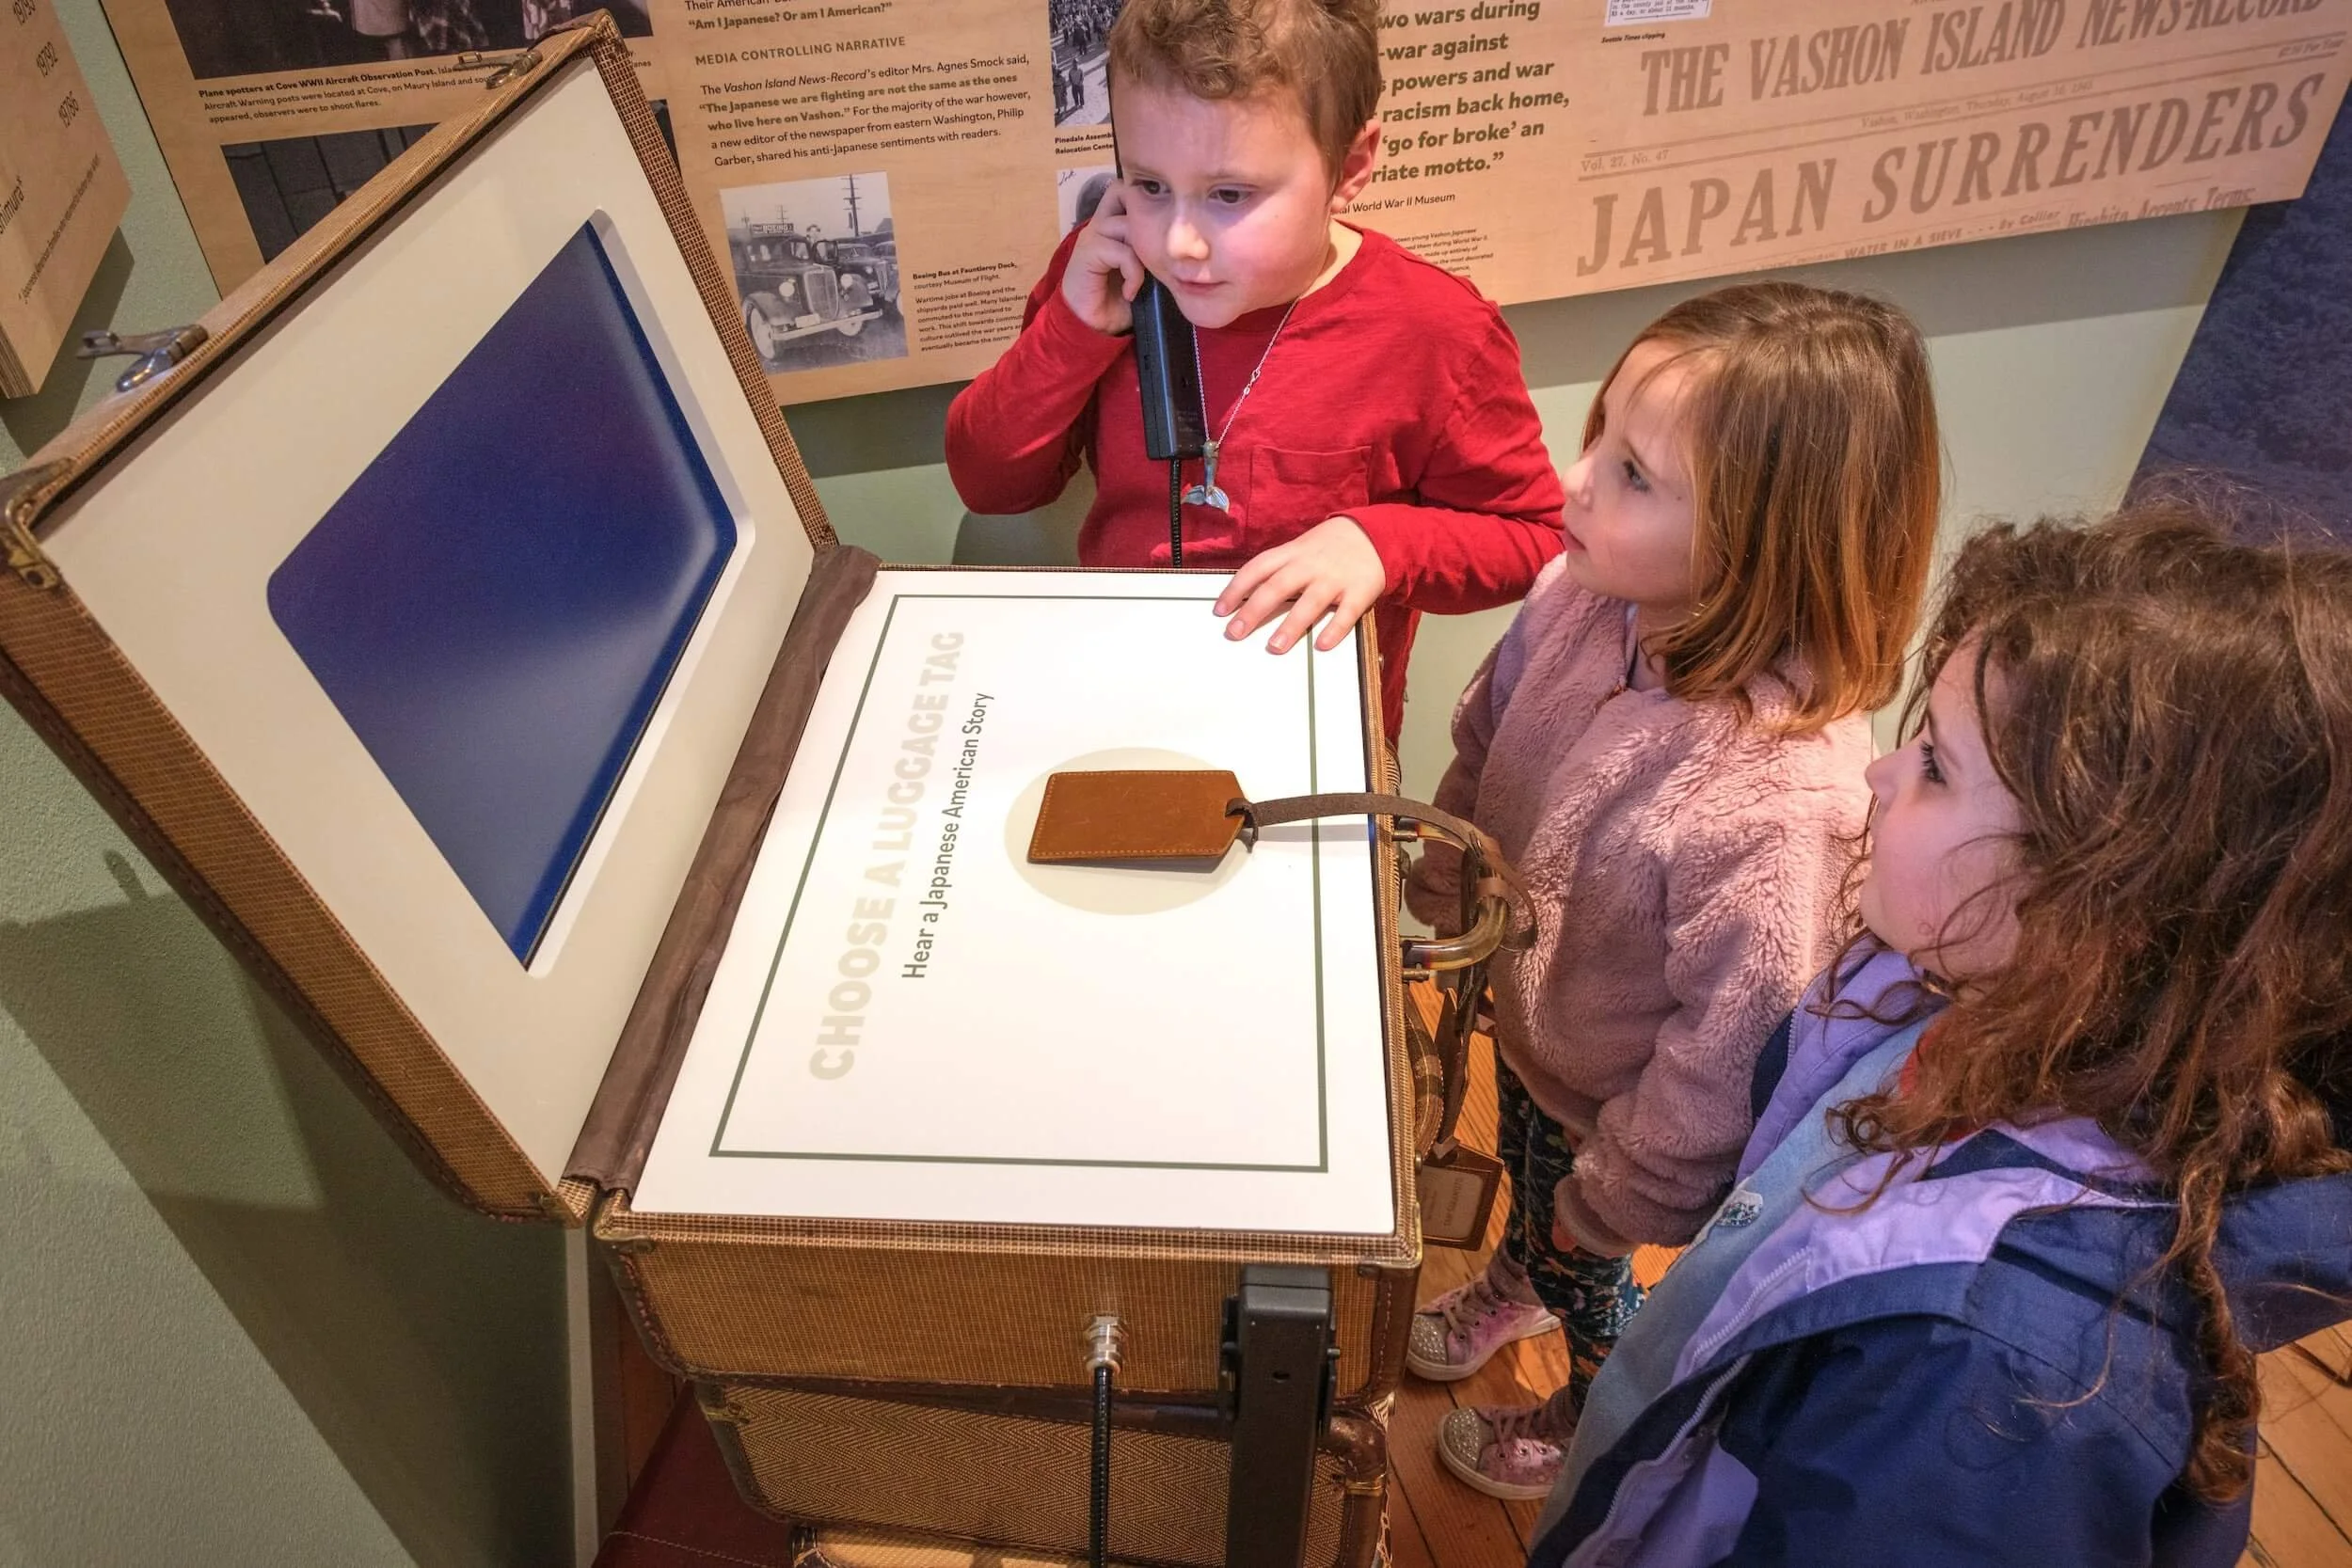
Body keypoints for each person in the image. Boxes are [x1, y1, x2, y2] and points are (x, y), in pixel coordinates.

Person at [1531, 502, 2352, 1567]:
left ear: (2095, 912)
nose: (1876, 773)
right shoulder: (1975, 997)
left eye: (1932, 764)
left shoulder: (1989, 1384)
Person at [1402, 282, 1943, 1499]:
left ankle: (1590, 1401)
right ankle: (1521, 1273)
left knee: (1592, 1254)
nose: (1576, 479)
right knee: (1541, 1190)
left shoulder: (1783, 792)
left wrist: (1628, 1193)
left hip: (1627, 1106)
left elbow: (1735, 1030)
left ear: (1768, 535)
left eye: (1635, 473)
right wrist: (1450, 869)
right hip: (1547, 1037)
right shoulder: (1583, 593)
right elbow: (1488, 731)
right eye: (1598, 436)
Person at [946, 0, 1563, 739]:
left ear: (1350, 167)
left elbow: (1537, 538)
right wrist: (1072, 330)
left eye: (1229, 195)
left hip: (1314, 730)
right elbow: (988, 482)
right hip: (1121, 693)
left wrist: (1383, 543)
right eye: (1148, 185)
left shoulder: (1437, 332)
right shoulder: (1107, 275)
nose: (1180, 244)